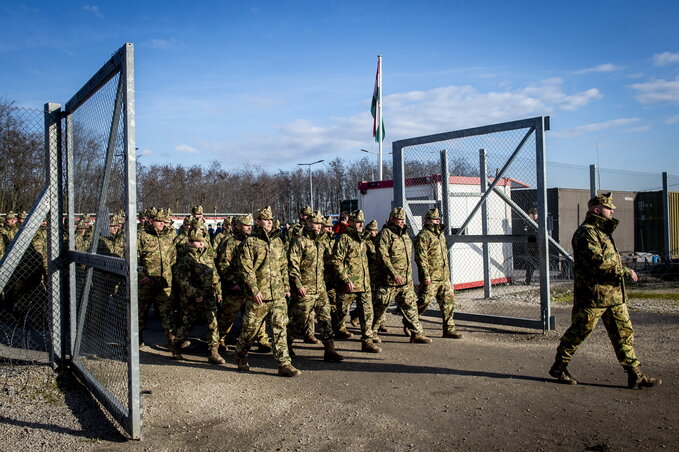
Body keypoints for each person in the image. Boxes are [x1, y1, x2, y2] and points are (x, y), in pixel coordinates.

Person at [549, 193, 662, 389]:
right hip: (593, 296)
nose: (612, 211)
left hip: (614, 295)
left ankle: (635, 374)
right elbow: (599, 264)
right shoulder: (586, 233)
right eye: (608, 208)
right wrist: (625, 271)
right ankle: (559, 367)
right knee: (579, 332)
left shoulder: (603, 232)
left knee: (624, 333)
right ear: (596, 209)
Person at [234, 206, 301, 377]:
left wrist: (286, 287)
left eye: (271, 220)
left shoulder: (278, 242)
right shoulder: (250, 243)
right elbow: (245, 269)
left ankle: (284, 363)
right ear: (258, 222)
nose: (270, 222)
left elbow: (284, 267)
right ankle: (241, 353)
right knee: (250, 330)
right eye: (266, 219)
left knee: (280, 328)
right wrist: (253, 289)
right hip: (259, 296)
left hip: (277, 295)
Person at [287, 211, 343, 362]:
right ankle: (286, 343)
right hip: (305, 288)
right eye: (316, 223)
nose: (319, 227)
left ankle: (330, 350)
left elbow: (329, 261)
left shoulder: (322, 241)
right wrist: (298, 284)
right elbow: (293, 265)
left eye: (320, 224)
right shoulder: (300, 241)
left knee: (325, 318)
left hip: (320, 288)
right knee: (299, 320)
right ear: (309, 223)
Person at [373, 207, 432, 345]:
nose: (401, 222)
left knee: (410, 306)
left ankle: (417, 333)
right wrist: (394, 274)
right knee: (380, 308)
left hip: (405, 281)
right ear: (392, 219)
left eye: (402, 219)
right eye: (399, 219)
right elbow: (383, 256)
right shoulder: (385, 235)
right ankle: (371, 333)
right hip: (389, 281)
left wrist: (408, 277)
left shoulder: (405, 235)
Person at [215, 214, 271, 352]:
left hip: (251, 286)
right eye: (246, 225)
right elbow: (223, 265)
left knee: (257, 314)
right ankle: (219, 339)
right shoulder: (230, 242)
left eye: (250, 225)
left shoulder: (253, 241)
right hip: (235, 286)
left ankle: (262, 339)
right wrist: (233, 283)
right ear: (237, 226)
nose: (249, 227)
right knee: (228, 315)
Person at [173, 228, 224, 365]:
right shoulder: (186, 259)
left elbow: (215, 276)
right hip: (192, 299)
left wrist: (218, 291)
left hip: (209, 296)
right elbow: (182, 280)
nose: (201, 244)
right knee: (187, 324)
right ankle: (176, 347)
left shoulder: (208, 257)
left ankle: (214, 352)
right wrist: (195, 294)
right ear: (190, 243)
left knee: (213, 324)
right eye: (197, 241)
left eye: (202, 241)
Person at [331, 209, 380, 353]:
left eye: (361, 222)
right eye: (357, 222)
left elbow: (372, 257)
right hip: (349, 284)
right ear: (351, 222)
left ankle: (367, 341)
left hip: (364, 284)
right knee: (341, 311)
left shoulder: (364, 239)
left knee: (367, 313)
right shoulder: (344, 238)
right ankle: (337, 329)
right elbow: (336, 260)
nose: (360, 224)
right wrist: (345, 279)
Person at [414, 208, 461, 339]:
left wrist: (447, 275)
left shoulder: (440, 235)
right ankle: (411, 320)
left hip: (444, 276)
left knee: (448, 303)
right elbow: (421, 258)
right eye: (434, 219)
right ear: (427, 220)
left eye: (438, 219)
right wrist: (425, 276)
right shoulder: (423, 236)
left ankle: (449, 329)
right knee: (424, 301)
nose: (437, 221)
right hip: (431, 277)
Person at [137, 208, 179, 355]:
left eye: (163, 221)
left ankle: (173, 344)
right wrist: (141, 275)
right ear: (151, 221)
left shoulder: (169, 237)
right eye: (159, 221)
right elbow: (133, 258)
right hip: (145, 283)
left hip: (164, 283)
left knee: (167, 314)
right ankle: (136, 341)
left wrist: (171, 276)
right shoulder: (141, 236)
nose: (162, 224)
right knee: (140, 314)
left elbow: (174, 258)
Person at [524, 208, 539, 285]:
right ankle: (528, 280)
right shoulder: (528, 223)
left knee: (538, 262)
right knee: (530, 263)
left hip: (536, 245)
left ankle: (529, 280)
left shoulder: (538, 223)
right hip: (531, 245)